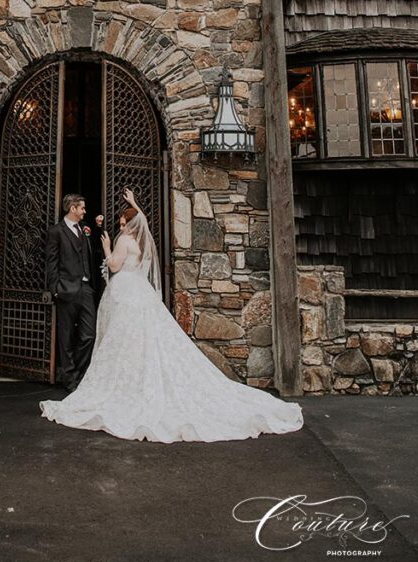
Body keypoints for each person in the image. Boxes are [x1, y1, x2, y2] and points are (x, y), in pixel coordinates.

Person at [40, 188, 304, 443]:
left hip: (125, 294)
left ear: (129, 224)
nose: (119, 224)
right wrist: (135, 206)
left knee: (122, 340)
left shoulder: (123, 240)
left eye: (122, 220)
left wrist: (107, 247)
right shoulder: (142, 242)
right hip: (134, 293)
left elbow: (114, 265)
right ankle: (86, 377)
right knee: (137, 341)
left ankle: (117, 383)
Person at [45, 193, 97, 392]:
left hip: (85, 289)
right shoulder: (56, 231)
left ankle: (80, 373)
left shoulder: (84, 230)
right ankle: (70, 379)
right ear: (72, 208)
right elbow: (51, 262)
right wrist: (55, 289)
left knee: (88, 335)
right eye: (82, 208)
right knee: (65, 337)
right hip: (66, 289)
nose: (85, 211)